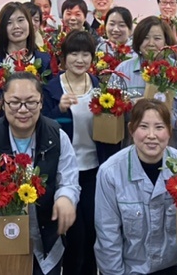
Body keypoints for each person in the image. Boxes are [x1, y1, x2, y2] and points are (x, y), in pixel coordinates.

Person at [0, 72, 80, 275]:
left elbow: (69, 181)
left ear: (41, 103)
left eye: (31, 102)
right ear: (3, 103)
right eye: (14, 103)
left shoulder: (57, 137)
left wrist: (66, 198)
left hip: (46, 243)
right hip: (3, 240)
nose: (23, 110)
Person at [43, 31, 120, 275]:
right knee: (74, 237)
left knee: (93, 235)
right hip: (65, 174)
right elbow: (40, 127)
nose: (80, 59)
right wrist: (58, 110)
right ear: (63, 58)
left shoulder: (100, 87)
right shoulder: (51, 89)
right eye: (74, 53)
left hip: (95, 171)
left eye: (85, 54)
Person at [94, 98, 177, 275]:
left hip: (171, 266)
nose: (151, 135)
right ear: (131, 130)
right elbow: (107, 235)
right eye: (143, 127)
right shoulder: (110, 172)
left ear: (169, 132)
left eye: (159, 127)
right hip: (128, 270)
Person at [117, 16, 177, 152]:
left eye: (157, 38)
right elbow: (112, 110)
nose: (151, 43)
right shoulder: (122, 71)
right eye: (145, 38)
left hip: (174, 148)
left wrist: (169, 116)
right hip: (132, 149)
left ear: (167, 42)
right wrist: (131, 106)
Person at [0, 2, 51, 130]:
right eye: (9, 23)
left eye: (20, 20)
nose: (16, 26)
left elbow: (48, 100)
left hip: (36, 129)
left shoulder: (43, 60)